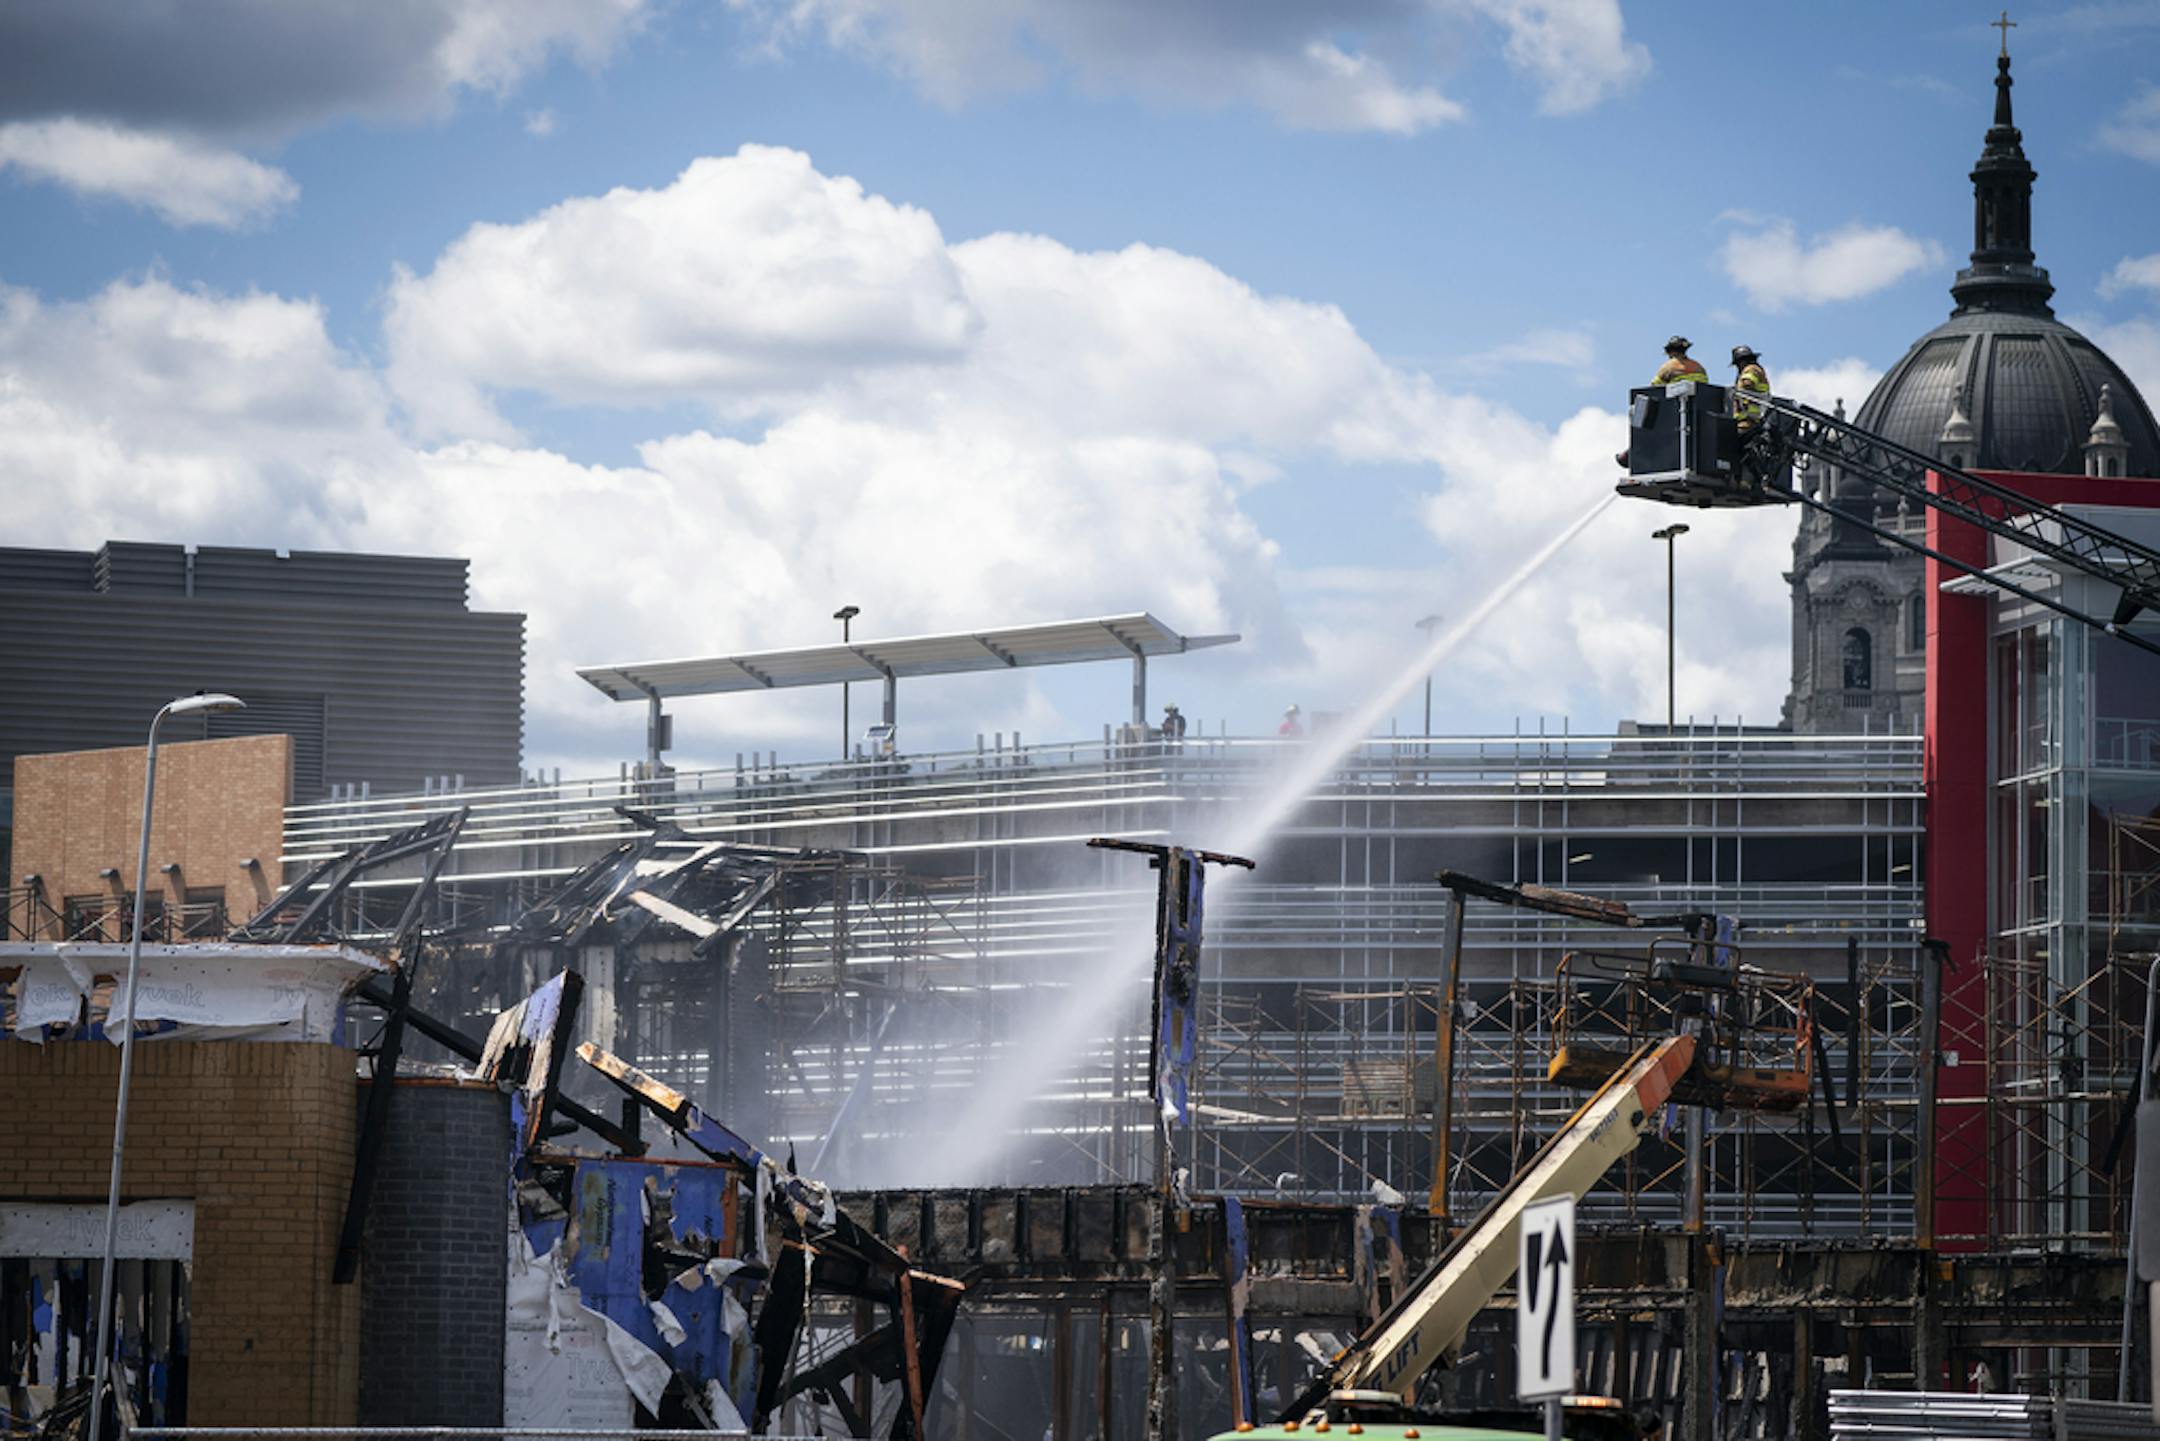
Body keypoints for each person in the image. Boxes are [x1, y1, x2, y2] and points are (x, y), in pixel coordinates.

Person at [1619, 336, 1711, 466]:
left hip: (1674, 413)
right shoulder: (1699, 368)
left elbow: (1654, 390)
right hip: (1698, 415)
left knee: (1639, 412)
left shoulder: (1669, 367)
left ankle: (1634, 451)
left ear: (1670, 352)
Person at [1732, 345, 1770, 432]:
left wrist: (1734, 392)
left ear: (1742, 361)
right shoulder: (1756, 369)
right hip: (1750, 419)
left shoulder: (1751, 369)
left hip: (1749, 420)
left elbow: (1747, 383)